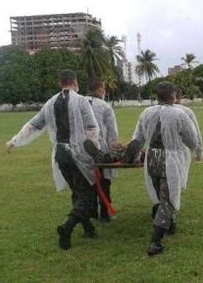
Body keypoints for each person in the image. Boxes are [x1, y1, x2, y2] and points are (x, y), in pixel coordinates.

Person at [6, 70, 100, 250]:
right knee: (87, 196)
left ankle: (89, 228)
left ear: (60, 83)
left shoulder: (49, 103)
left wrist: (14, 141)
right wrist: (95, 151)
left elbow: (34, 125)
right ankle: (67, 228)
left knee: (77, 191)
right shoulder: (81, 101)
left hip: (60, 155)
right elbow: (91, 128)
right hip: (78, 154)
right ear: (75, 82)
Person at [132, 82, 201, 256]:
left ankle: (170, 225)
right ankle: (155, 242)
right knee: (167, 200)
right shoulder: (180, 114)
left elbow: (137, 139)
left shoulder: (146, 112)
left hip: (151, 160)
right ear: (174, 96)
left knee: (161, 196)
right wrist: (195, 151)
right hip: (169, 160)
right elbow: (192, 140)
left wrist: (132, 156)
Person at [86, 79, 119, 222]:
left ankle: (91, 212)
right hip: (101, 148)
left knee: (88, 181)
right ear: (100, 90)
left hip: (83, 148)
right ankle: (104, 213)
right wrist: (115, 149)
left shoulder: (80, 103)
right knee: (104, 181)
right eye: (104, 89)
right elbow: (112, 131)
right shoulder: (105, 106)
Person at [174, 86, 203, 191]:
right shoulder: (186, 111)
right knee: (179, 181)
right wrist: (198, 152)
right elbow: (196, 134)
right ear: (179, 97)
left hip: (159, 151)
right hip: (181, 149)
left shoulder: (152, 112)